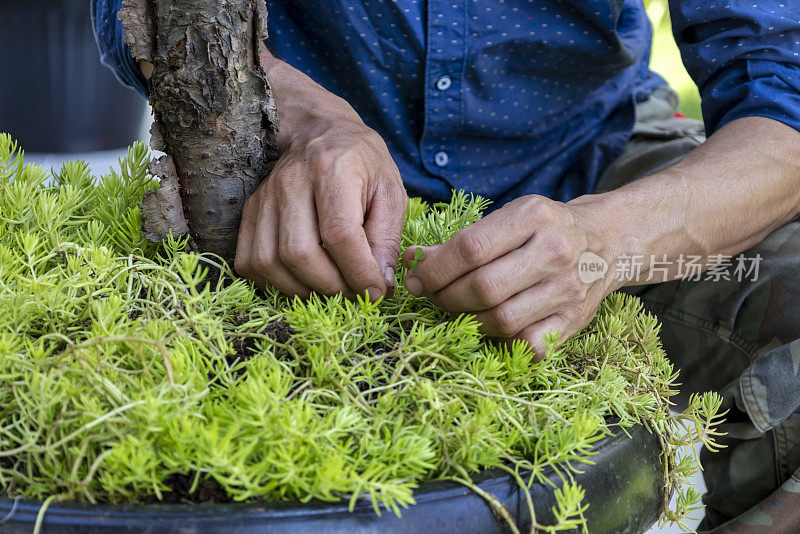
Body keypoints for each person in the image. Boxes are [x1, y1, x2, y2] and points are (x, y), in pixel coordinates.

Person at [92, 1, 800, 531]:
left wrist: (607, 240)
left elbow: (784, 95)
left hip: (587, 155)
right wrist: (309, 121)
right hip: (289, 171)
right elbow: (145, 10)